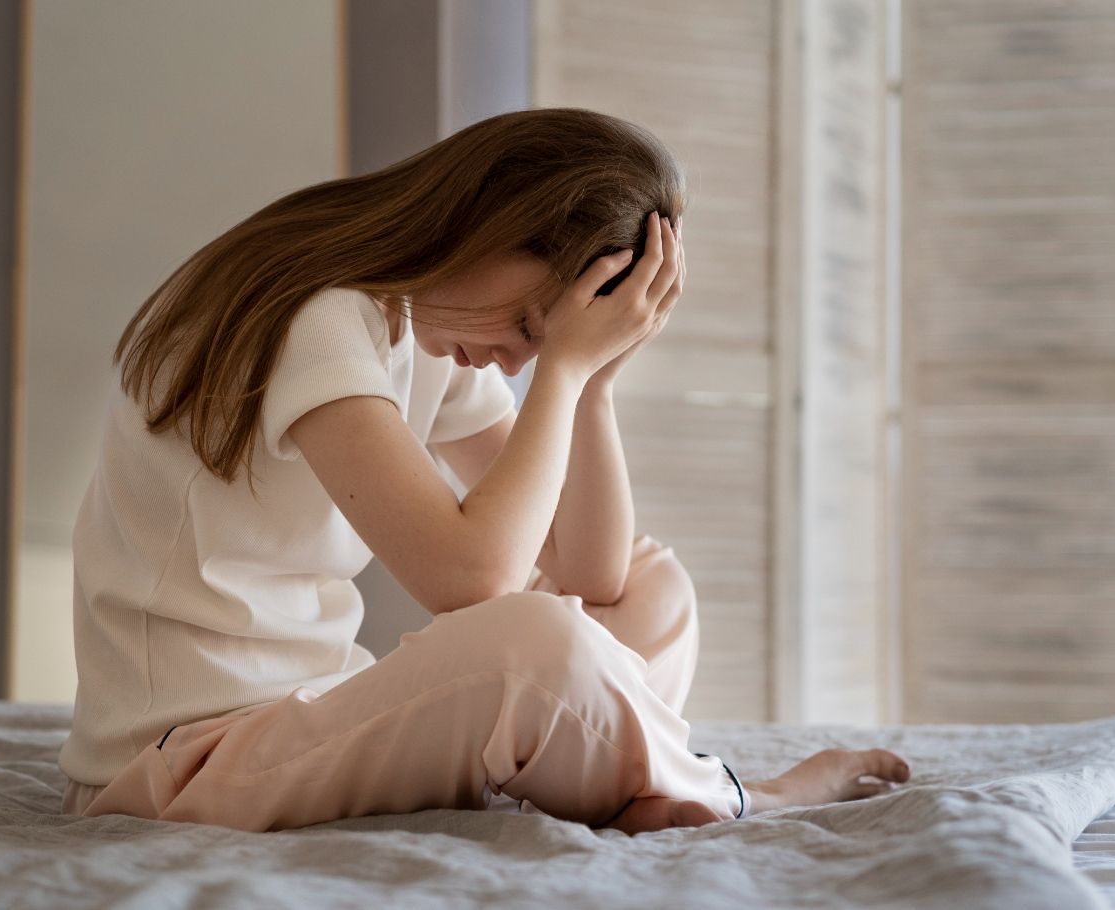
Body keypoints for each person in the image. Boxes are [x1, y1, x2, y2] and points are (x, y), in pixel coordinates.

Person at [57, 107, 911, 835]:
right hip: (182, 767)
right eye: (532, 321)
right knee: (533, 646)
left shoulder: (422, 318)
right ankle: (731, 793)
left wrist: (596, 384)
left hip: (304, 715)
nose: (514, 358)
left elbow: (592, 572)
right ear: (491, 222)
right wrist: (561, 372)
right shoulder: (315, 317)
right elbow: (473, 580)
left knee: (652, 586)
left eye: (543, 340)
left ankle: (616, 772)